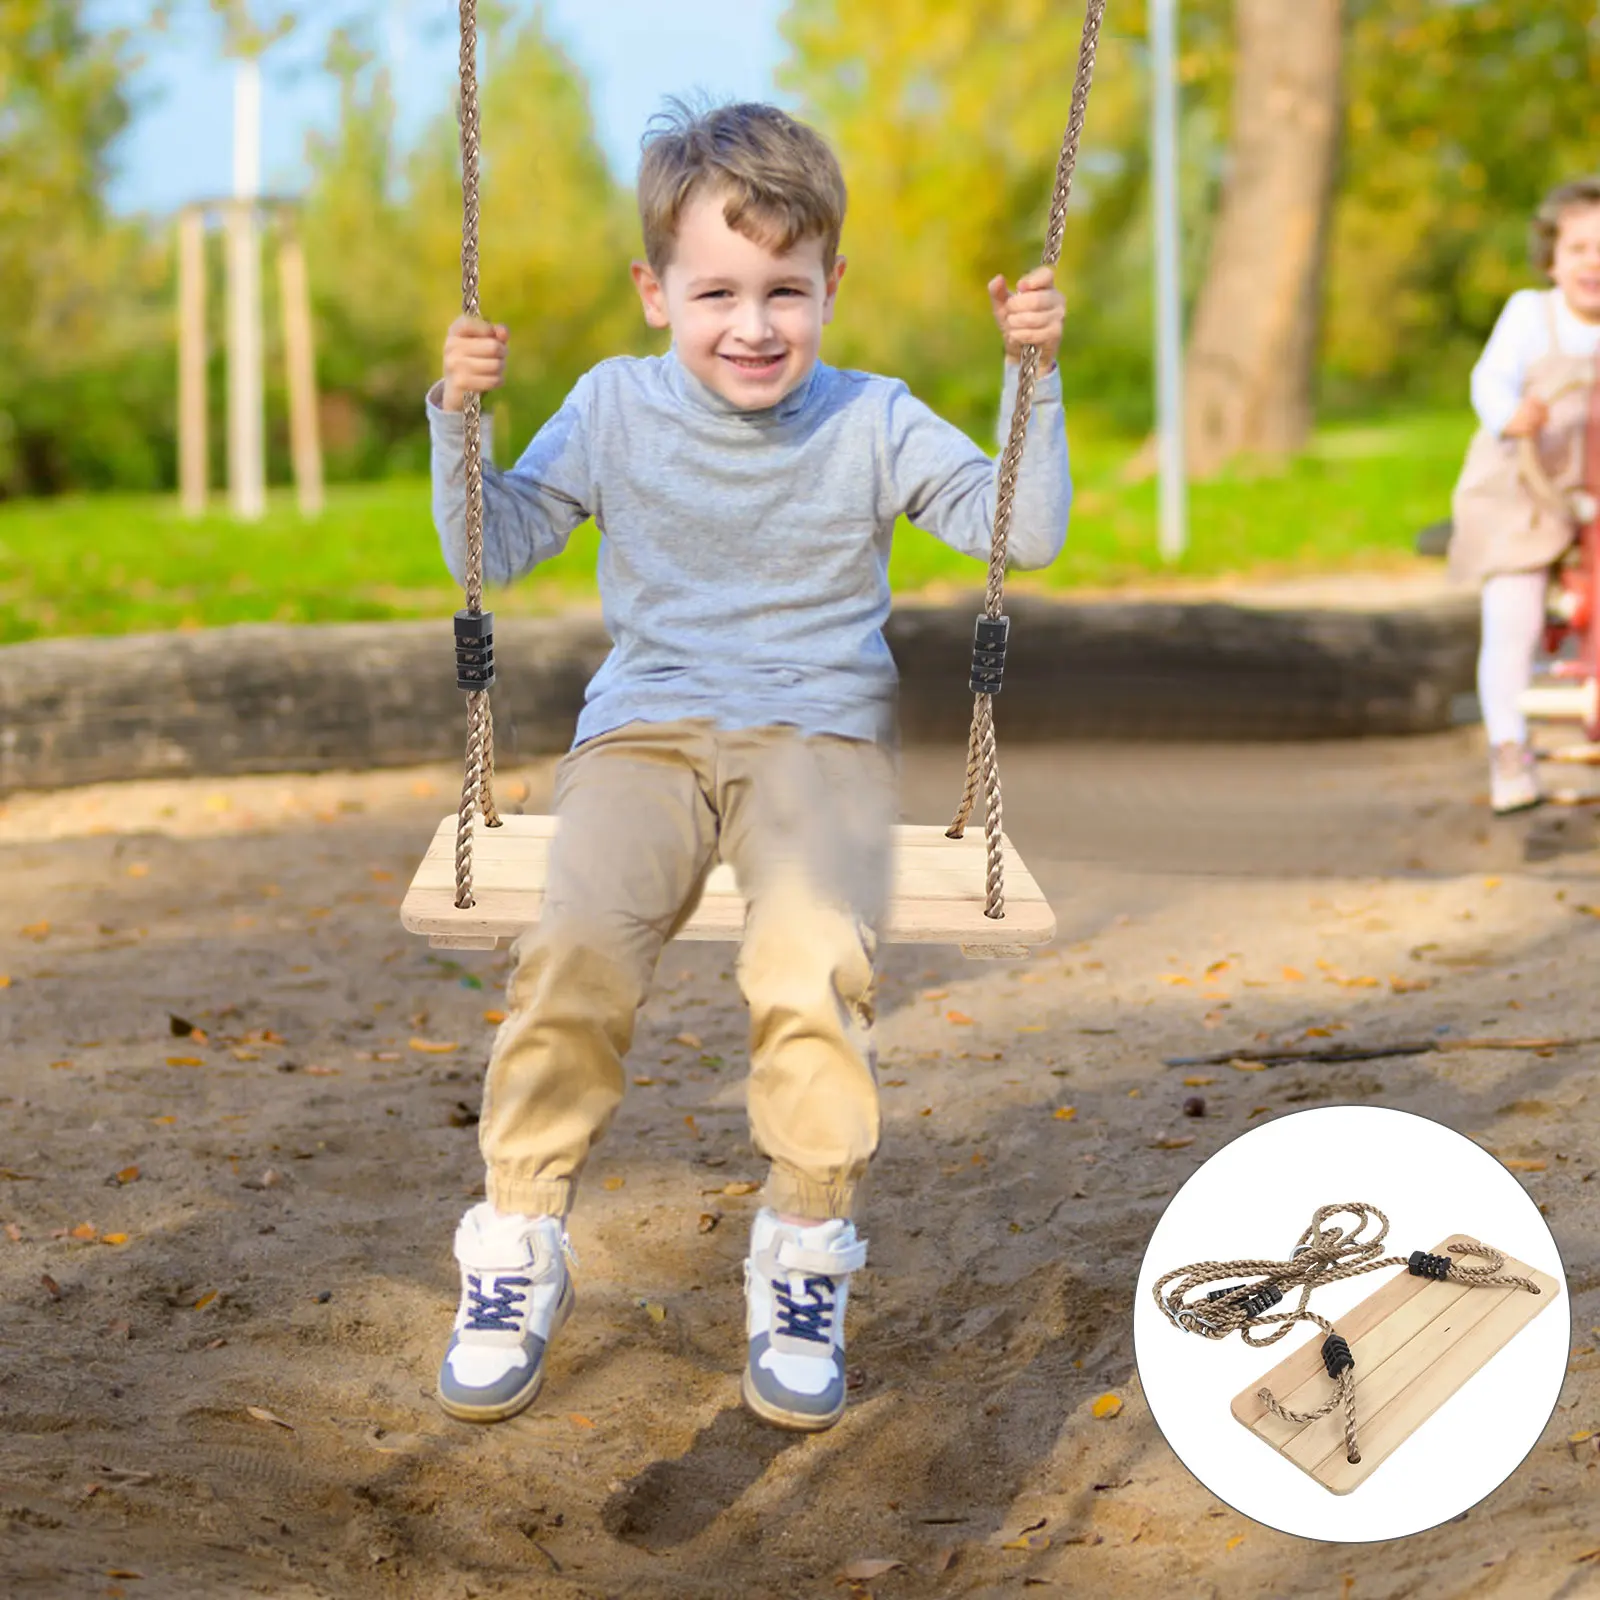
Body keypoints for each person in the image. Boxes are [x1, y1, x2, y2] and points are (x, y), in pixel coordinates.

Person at [424, 100, 1071, 1430]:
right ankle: (518, 1236)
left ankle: (804, 1251)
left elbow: (1028, 528)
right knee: (574, 950)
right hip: (644, 732)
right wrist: (459, 416)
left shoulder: (874, 418)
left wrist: (1033, 380)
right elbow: (492, 545)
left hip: (818, 738)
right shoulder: (612, 405)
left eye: (786, 290)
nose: (754, 324)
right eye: (717, 292)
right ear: (654, 291)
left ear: (832, 284)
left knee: (809, 966)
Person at [1451, 175, 1600, 814]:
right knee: (1514, 605)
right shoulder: (1529, 315)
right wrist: (1509, 413)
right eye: (1579, 249)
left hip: (1594, 490)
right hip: (1525, 485)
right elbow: (1488, 380)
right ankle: (1509, 746)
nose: (1594, 263)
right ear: (1551, 259)